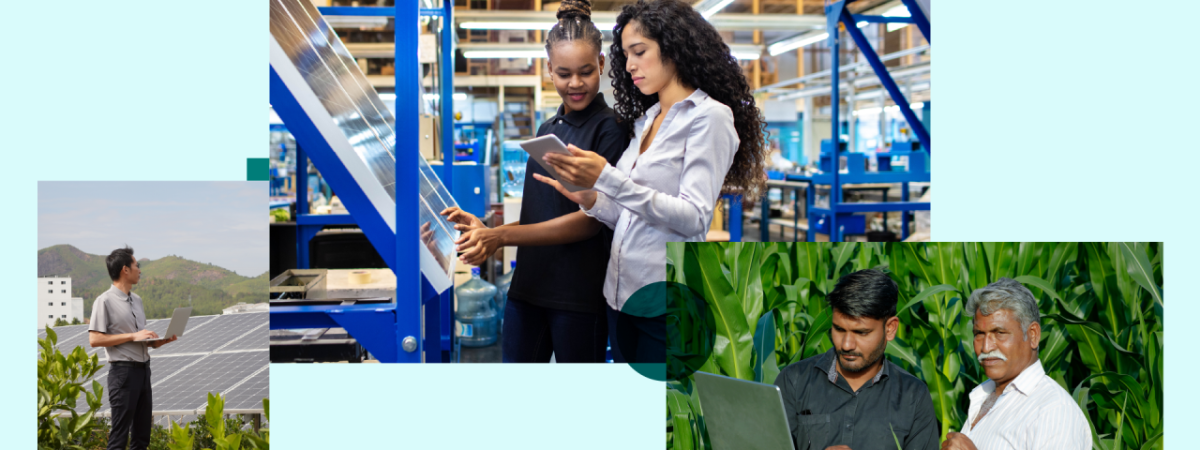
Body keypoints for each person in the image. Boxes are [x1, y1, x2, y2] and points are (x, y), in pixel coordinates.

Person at [521, 0, 768, 362]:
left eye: (639, 52)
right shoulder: (647, 120)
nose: (629, 65)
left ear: (674, 47)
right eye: (625, 55)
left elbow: (694, 216)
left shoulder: (709, 118)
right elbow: (626, 211)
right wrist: (589, 196)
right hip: (619, 297)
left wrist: (607, 176)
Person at [440, 0, 628, 363]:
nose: (575, 84)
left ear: (602, 65)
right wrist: (489, 228)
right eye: (563, 73)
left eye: (586, 71)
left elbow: (591, 221)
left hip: (578, 297)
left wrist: (501, 237)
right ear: (549, 70)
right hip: (526, 291)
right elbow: (540, 216)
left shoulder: (611, 129)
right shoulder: (547, 129)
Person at [774, 270, 939, 450]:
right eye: (839, 329)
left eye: (861, 333)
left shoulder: (914, 397)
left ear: (890, 328)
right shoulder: (793, 381)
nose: (846, 345)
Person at [941, 279, 1090, 450]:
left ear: (1033, 335)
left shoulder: (1053, 410)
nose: (986, 347)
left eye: (1000, 333)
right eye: (979, 334)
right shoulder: (982, 396)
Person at [87, 246, 177, 450]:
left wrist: (157, 342)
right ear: (125, 270)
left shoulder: (138, 301)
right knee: (119, 438)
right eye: (137, 265)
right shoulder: (104, 301)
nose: (140, 270)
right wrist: (133, 335)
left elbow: (138, 340)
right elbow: (94, 339)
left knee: (142, 436)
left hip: (144, 371)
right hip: (123, 373)